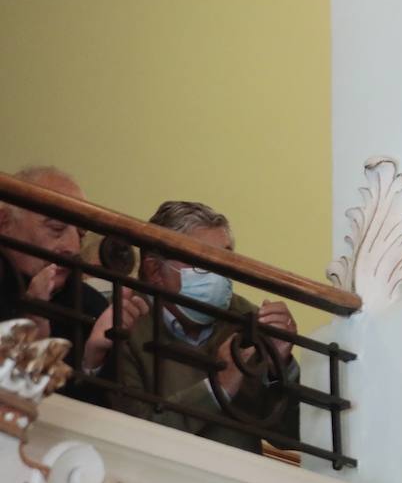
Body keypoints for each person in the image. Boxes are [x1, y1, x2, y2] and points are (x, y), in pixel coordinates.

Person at [114, 201, 300, 454]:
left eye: (225, 259)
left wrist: (281, 368)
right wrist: (217, 387)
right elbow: (131, 437)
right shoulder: (125, 323)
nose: (218, 274)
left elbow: (291, 437)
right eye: (203, 261)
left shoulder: (248, 320)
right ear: (155, 270)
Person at [0, 166, 148, 402]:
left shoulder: (89, 305)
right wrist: (29, 327)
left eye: (80, 234)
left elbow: (86, 421)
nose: (72, 248)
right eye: (57, 229)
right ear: (4, 223)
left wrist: (92, 359)